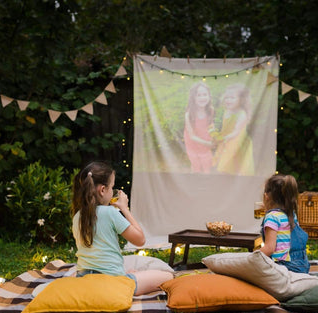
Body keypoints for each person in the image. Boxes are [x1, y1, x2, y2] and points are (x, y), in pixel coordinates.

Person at [71, 161, 173, 295]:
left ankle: (125, 275)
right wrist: (124, 209)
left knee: (129, 271)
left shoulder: (77, 216)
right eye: (112, 187)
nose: (113, 191)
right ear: (102, 190)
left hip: (84, 278)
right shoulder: (110, 213)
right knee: (167, 276)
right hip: (113, 282)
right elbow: (140, 240)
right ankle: (126, 279)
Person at [259, 174, 310, 273]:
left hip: (284, 268)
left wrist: (251, 257)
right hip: (302, 265)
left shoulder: (272, 217)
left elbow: (269, 248)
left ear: (266, 197)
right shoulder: (290, 213)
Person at [213, 83, 254, 175]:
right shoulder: (226, 111)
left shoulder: (242, 114)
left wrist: (224, 138)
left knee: (237, 164)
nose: (228, 100)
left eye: (232, 98)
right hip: (227, 140)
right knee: (225, 165)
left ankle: (237, 182)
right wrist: (216, 133)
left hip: (238, 142)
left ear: (241, 100)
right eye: (227, 97)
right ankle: (226, 179)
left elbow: (236, 131)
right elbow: (224, 126)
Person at [183, 82, 215, 173]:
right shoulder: (189, 114)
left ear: (209, 96)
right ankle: (195, 178)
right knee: (195, 164)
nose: (202, 98)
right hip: (193, 142)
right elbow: (192, 136)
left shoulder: (210, 110)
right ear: (193, 98)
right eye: (198, 95)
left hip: (205, 138)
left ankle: (206, 179)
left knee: (206, 162)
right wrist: (206, 143)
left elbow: (211, 125)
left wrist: (214, 135)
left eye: (205, 95)